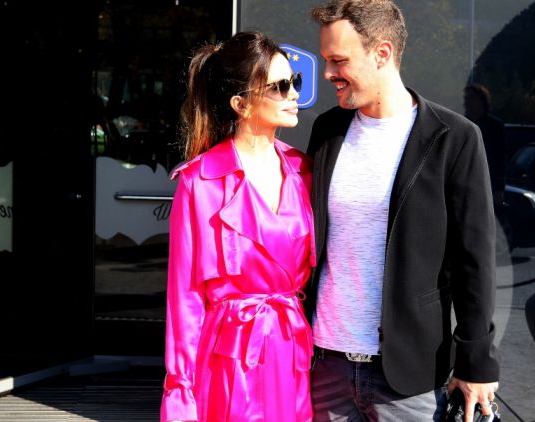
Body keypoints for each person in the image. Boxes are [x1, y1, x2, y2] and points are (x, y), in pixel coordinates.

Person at [305, 1, 500, 421]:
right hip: (325, 368)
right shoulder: (327, 131)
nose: (327, 73)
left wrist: (477, 362)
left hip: (408, 376)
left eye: (339, 60)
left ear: (382, 53)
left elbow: (475, 261)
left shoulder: (454, 139)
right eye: (325, 60)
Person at [160, 31, 316, 422]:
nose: (294, 94)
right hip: (228, 361)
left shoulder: (304, 171)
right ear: (241, 103)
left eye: (294, 81)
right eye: (280, 86)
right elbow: (185, 299)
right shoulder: (201, 182)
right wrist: (180, 393)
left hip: (292, 350)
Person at [463, 84, 506, 205]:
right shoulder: (462, 124)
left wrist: (499, 189)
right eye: (465, 98)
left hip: (486, 182)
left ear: (481, 101)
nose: (466, 102)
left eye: (470, 98)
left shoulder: (495, 126)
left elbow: (499, 159)